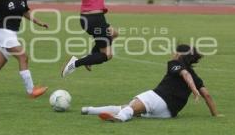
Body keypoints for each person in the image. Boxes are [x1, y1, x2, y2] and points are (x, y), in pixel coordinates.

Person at [42, 0, 132, 77]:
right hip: (96, 19)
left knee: (114, 33)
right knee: (107, 55)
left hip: (85, 19)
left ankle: (90, 57)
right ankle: (75, 63)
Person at [80, 44, 223, 122]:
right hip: (167, 114)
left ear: (179, 55)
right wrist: (215, 114)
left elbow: (184, 74)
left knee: (131, 108)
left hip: (159, 98)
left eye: (175, 52)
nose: (173, 54)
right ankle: (90, 110)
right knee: (127, 107)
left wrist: (193, 88)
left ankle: (120, 118)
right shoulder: (196, 76)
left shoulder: (175, 63)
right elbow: (208, 95)